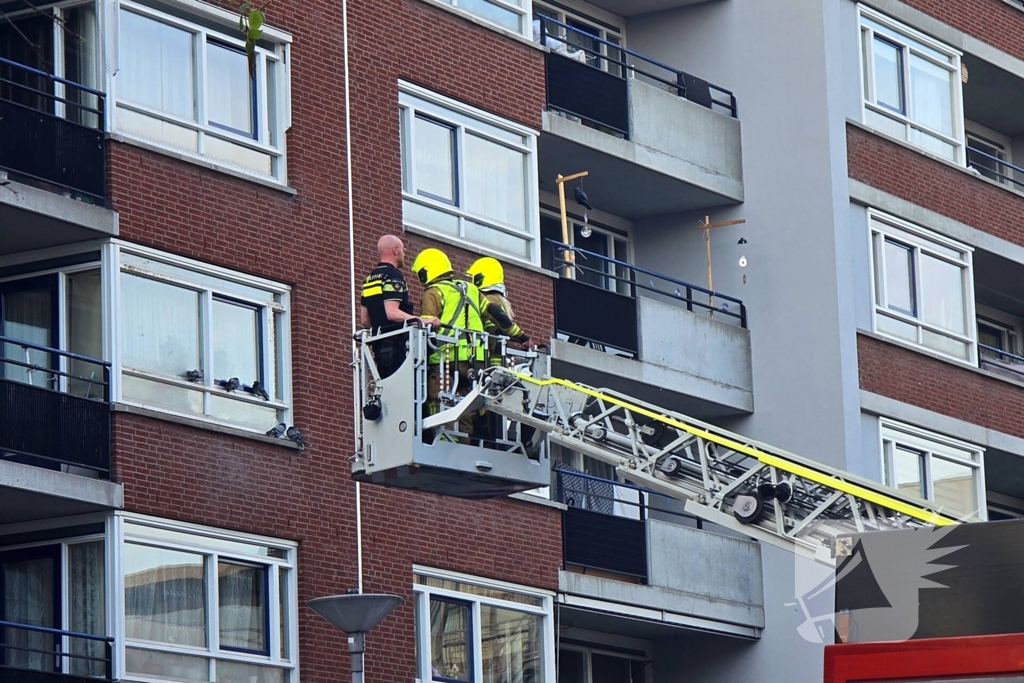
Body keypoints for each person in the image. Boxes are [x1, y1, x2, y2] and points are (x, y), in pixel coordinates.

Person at [411, 247, 486, 438]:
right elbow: (495, 314)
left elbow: (426, 326)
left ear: (428, 270)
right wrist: (522, 337)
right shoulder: (471, 289)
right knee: (466, 409)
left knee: (439, 400)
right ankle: (463, 445)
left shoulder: (434, 292)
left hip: (444, 360)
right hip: (473, 363)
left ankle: (442, 441)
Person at [360, 235, 438, 378]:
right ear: (395, 250)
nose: (404, 254)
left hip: (378, 347)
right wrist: (421, 320)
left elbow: (365, 321)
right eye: (403, 250)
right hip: (396, 346)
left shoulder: (368, 280)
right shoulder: (393, 276)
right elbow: (392, 312)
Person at [466, 257, 530, 367]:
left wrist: (493, 366)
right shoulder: (500, 300)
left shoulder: (489, 299)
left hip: (491, 358)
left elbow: (493, 331)